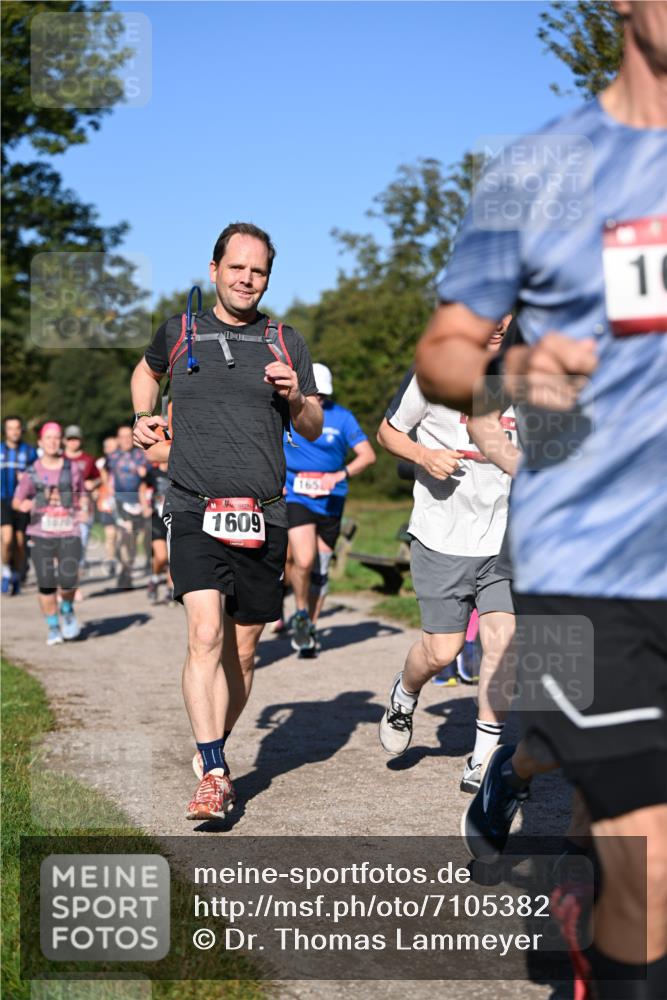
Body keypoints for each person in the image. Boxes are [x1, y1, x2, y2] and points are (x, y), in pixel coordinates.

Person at [415, 4, 667, 996]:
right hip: (597, 566)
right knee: (649, 850)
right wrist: (508, 369)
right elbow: (445, 346)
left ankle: (584, 915)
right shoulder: (542, 165)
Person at [131, 221, 322, 821]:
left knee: (241, 654)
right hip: (192, 504)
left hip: (262, 513)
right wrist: (143, 414)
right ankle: (215, 770)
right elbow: (145, 373)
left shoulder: (285, 341)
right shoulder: (179, 331)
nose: (247, 278)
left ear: (268, 278)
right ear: (214, 270)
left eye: (258, 270)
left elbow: (313, 426)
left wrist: (295, 396)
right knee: (205, 633)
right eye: (236, 267)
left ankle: (210, 745)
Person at [377, 315, 520, 793]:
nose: (499, 322)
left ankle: (483, 757)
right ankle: (406, 691)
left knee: (503, 640)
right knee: (443, 651)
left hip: (504, 535)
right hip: (442, 534)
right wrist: (422, 456)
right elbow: (389, 433)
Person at [284, 362, 376, 654]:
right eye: (314, 392)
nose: (319, 399)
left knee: (321, 571)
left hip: (331, 500)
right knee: (304, 560)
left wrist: (339, 475)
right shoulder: (285, 413)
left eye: (323, 394)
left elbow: (367, 455)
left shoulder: (343, 418)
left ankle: (309, 626)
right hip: (296, 497)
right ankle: (299, 610)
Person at [12, 422, 84, 644]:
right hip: (41, 532)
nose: (53, 442)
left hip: (68, 530)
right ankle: (53, 627)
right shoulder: (32, 472)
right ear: (40, 442)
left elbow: (81, 495)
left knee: (69, 579)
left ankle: (68, 609)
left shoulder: (72, 469)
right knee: (46, 582)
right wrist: (24, 505)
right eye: (48, 438)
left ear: (61, 441)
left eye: (56, 437)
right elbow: (17, 501)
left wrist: (83, 510)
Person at [106, 425, 148, 589]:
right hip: (119, 500)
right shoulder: (112, 456)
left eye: (128, 436)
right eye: (122, 437)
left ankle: (126, 570)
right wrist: (107, 488)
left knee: (131, 541)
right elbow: (104, 471)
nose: (125, 440)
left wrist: (144, 503)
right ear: (117, 439)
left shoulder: (140, 455)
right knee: (126, 535)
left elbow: (145, 481)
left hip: (136, 502)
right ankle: (125, 569)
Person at [1, 415, 37, 595]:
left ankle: (17, 574)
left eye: (17, 428)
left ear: (21, 429)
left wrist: (27, 480)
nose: (14, 431)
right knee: (7, 539)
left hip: (22, 503)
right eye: (10, 428)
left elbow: (38, 476)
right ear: (5, 431)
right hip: (3, 501)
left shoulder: (30, 452)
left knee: (21, 543)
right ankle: (6, 571)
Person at [63, 425, 101, 574]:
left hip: (84, 507)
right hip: (62, 507)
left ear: (81, 440)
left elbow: (99, 478)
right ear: (64, 441)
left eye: (76, 439)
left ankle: (76, 573)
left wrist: (93, 483)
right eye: (70, 439)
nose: (73, 442)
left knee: (82, 540)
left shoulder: (88, 459)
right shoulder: (59, 458)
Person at [140, 458, 173, 603]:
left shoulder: (177, 469)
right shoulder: (152, 472)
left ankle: (170, 590)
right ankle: (154, 579)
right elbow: (142, 487)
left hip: (174, 517)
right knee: (161, 556)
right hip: (157, 518)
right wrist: (144, 505)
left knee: (173, 557)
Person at [95, 435, 119, 576]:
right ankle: (111, 559)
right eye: (110, 447)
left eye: (115, 447)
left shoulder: (124, 462)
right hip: (106, 504)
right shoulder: (100, 464)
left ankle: (120, 558)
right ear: (105, 449)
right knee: (110, 535)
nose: (113, 450)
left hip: (123, 503)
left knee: (121, 536)